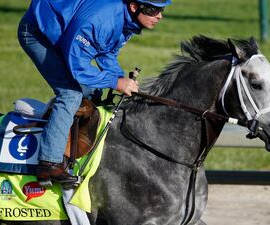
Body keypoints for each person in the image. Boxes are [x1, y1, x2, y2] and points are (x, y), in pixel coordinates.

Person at [17, 0, 172, 185]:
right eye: (154, 10)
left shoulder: (126, 20)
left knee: (94, 94)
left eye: (161, 10)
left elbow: (106, 53)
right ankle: (48, 163)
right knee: (70, 94)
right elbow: (78, 67)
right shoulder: (100, 21)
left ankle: (73, 146)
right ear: (133, 6)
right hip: (37, 33)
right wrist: (115, 82)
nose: (160, 16)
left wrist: (121, 80)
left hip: (66, 34)